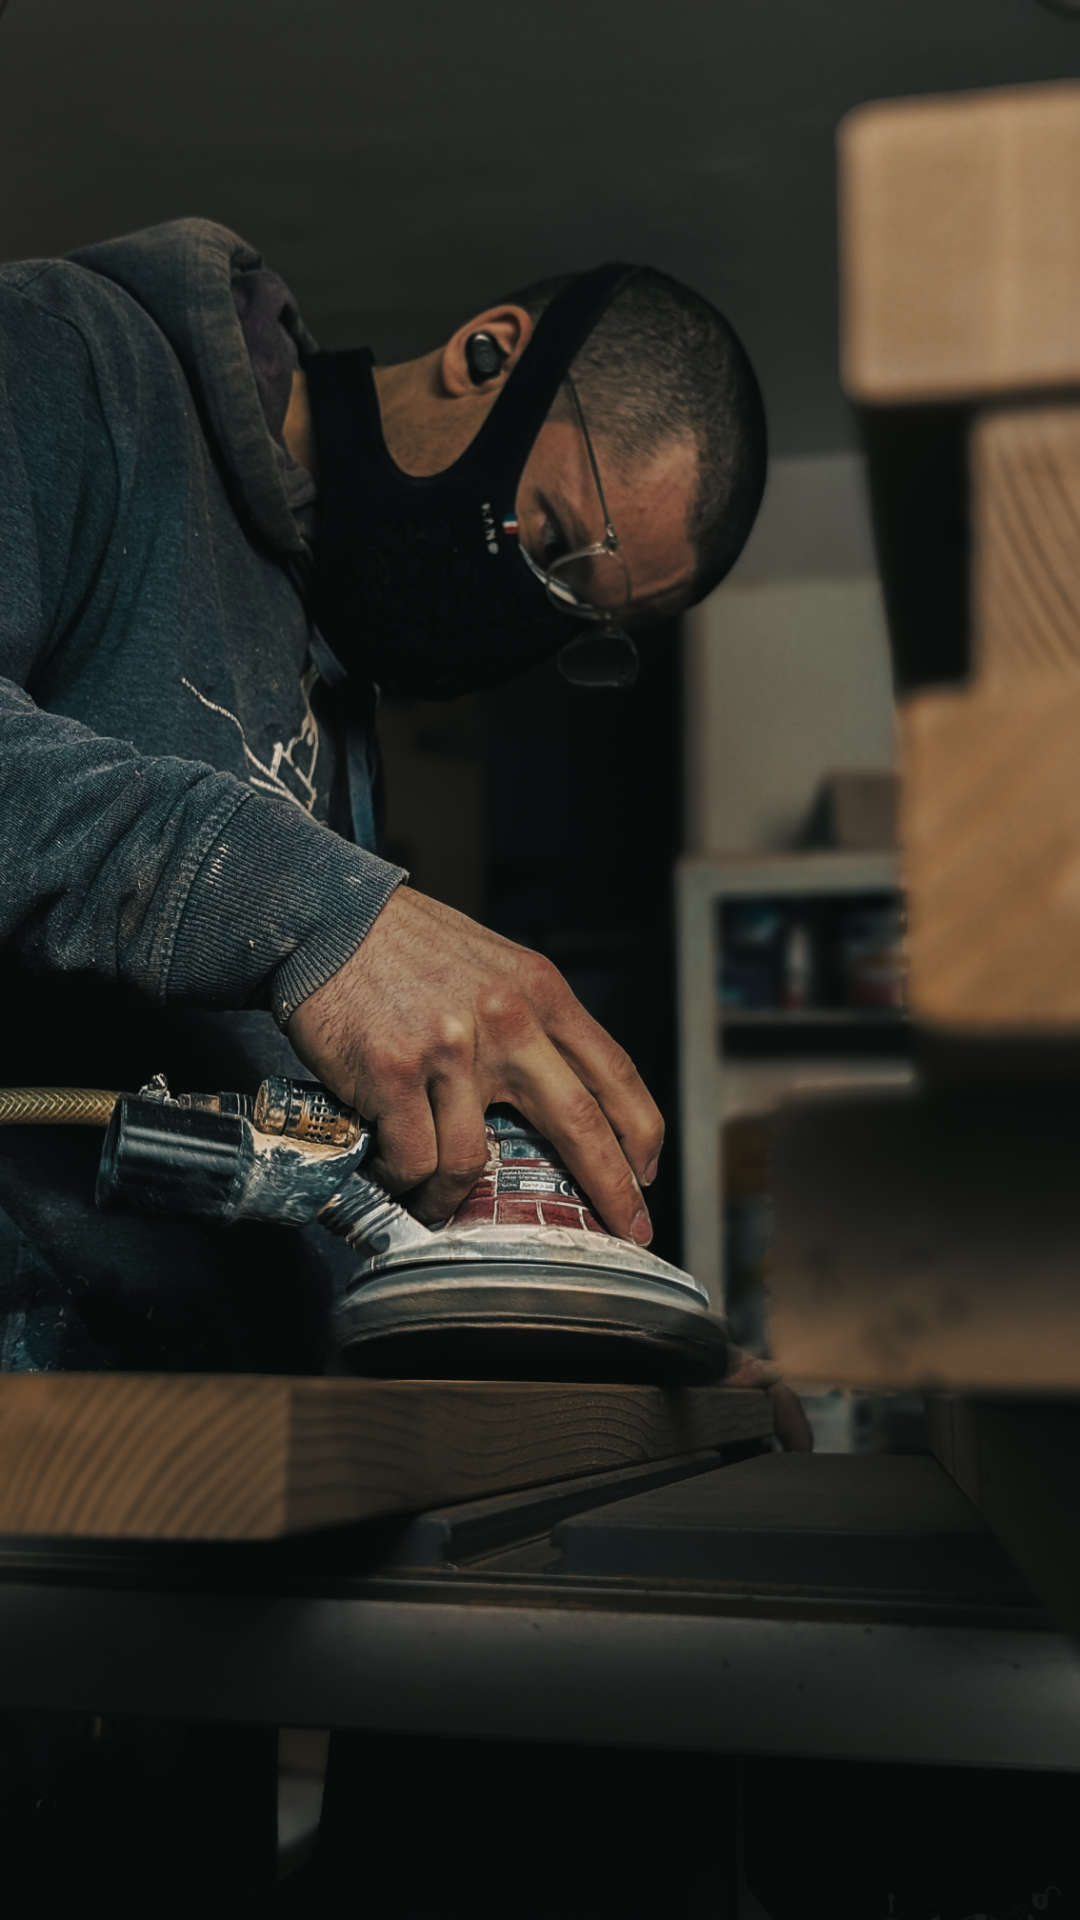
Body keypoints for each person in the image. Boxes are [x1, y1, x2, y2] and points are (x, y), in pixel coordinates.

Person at [0, 218, 767, 1374]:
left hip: (197, 1408)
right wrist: (316, 909)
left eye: (588, 622)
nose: (534, 613)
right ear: (487, 355)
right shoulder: (72, 357)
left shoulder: (330, 670)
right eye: (553, 541)